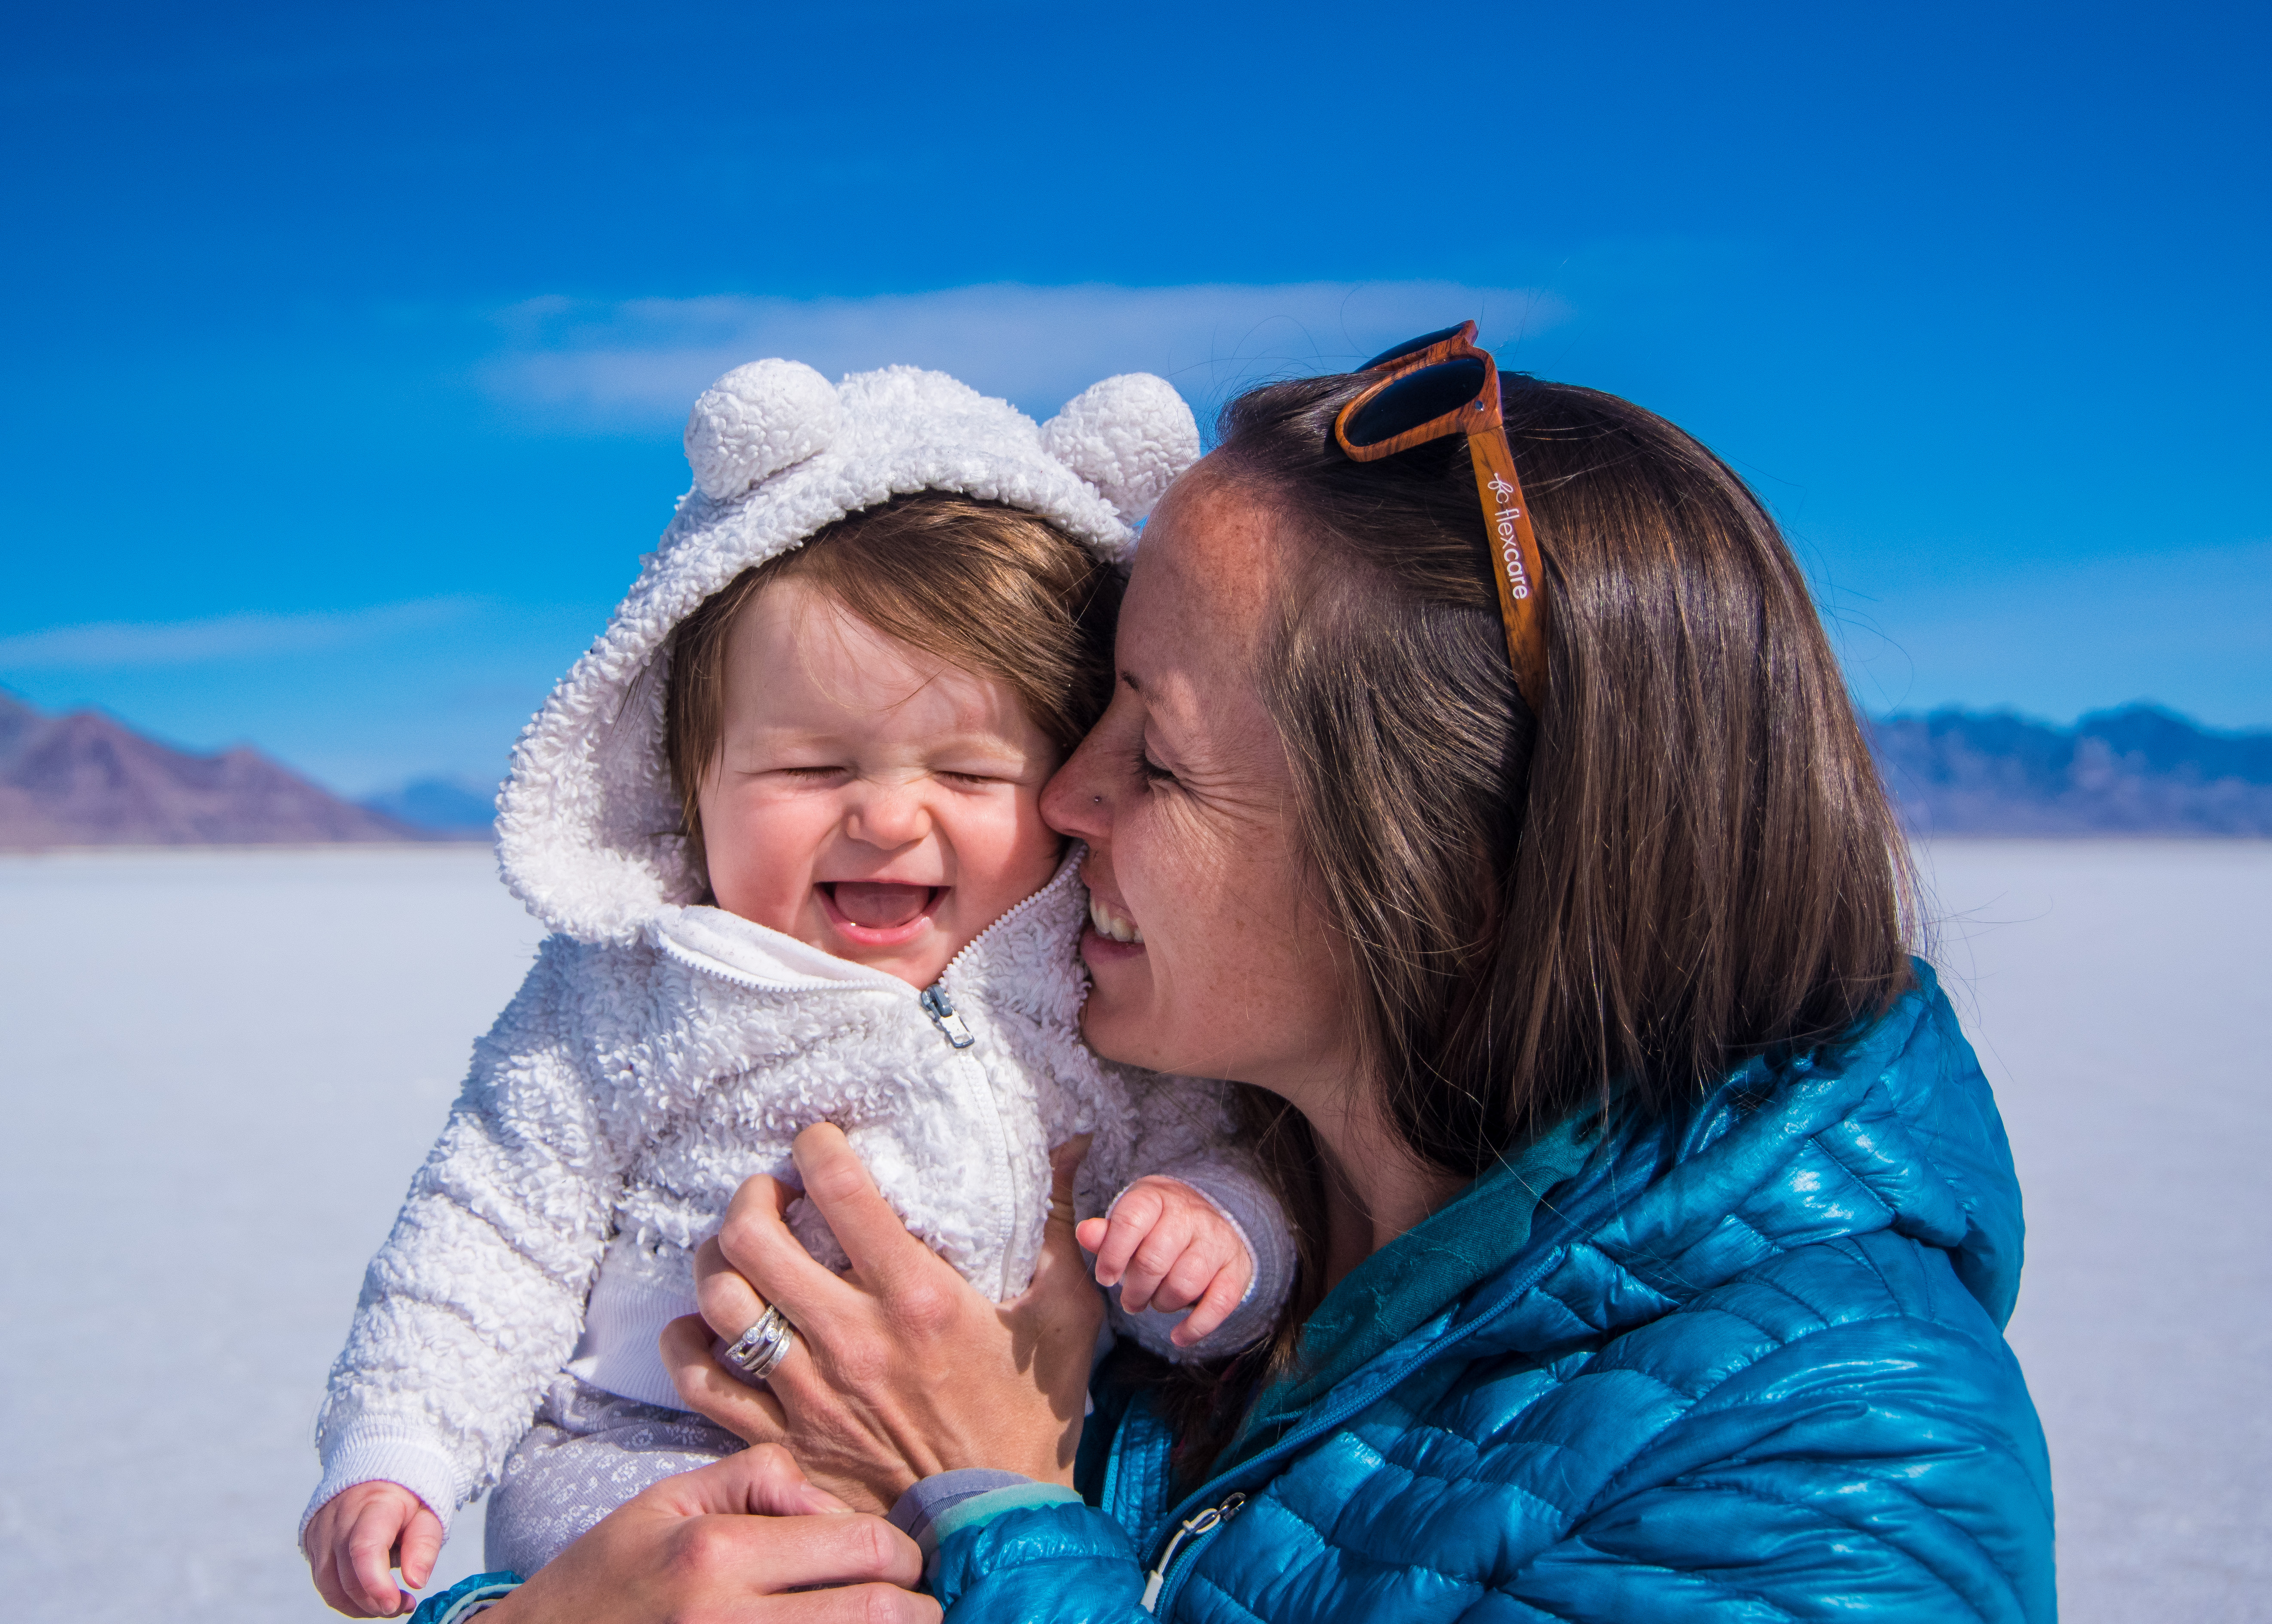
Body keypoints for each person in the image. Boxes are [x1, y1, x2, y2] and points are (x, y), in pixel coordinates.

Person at [436, 325, 2055, 1621]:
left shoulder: (1837, 1450)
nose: (1063, 804)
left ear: (1457, 873)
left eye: (1160, 756)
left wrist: (996, 1503)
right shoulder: (1139, 1206)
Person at [300, 358, 1300, 1617]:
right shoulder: (630, 990)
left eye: (971, 775)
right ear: (691, 783)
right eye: (814, 765)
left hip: (999, 1506)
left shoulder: (1082, 979)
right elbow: (493, 1218)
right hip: (645, 1485)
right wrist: (401, 1445)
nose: (888, 816)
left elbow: (1202, 1150)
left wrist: (1218, 1237)